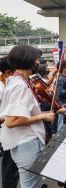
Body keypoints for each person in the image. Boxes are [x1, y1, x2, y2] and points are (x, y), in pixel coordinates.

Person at [0, 45, 55, 188]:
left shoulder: (17, 81)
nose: (38, 63)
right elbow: (11, 121)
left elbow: (18, 114)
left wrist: (41, 114)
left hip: (25, 142)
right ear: (29, 61)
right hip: (27, 143)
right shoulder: (20, 85)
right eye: (37, 60)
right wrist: (42, 117)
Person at [0, 56, 19, 188]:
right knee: (9, 165)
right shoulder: (2, 87)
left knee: (13, 163)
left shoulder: (5, 84)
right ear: (8, 73)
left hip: (9, 128)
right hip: (7, 128)